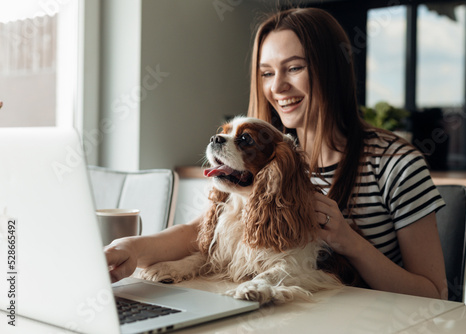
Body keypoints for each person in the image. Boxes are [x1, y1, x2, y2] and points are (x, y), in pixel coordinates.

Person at [105, 7, 448, 300]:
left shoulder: (396, 165)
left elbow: (435, 295)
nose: (277, 86)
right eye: (267, 73)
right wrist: (131, 248)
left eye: (294, 68)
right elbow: (199, 232)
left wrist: (350, 243)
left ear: (332, 69)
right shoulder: (267, 157)